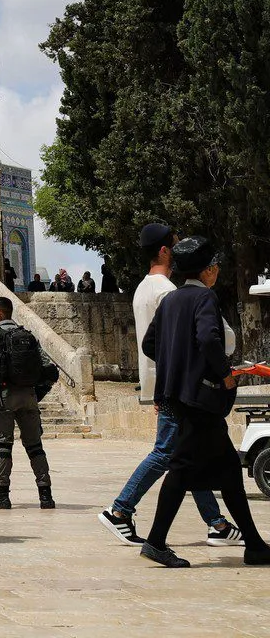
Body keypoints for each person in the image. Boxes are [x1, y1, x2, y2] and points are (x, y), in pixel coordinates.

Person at [98, 224, 239, 549]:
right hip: (180, 387)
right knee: (167, 453)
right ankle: (120, 509)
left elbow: (152, 345)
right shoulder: (169, 291)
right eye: (176, 246)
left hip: (163, 384)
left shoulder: (143, 289)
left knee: (186, 453)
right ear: (165, 251)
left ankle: (216, 523)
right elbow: (205, 338)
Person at [138, 236, 270, 568]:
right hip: (199, 399)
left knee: (228, 470)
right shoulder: (204, 298)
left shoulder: (171, 300)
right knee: (181, 469)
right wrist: (223, 372)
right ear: (209, 270)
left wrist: (178, 363)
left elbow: (150, 344)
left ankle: (254, 545)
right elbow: (209, 338)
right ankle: (155, 542)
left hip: (178, 397)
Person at [0, 297, 57, 510]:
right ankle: (45, 495)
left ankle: (2, 494)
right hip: (28, 396)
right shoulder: (29, 336)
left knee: (2, 446)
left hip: (3, 398)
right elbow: (49, 369)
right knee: (35, 446)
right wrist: (37, 393)